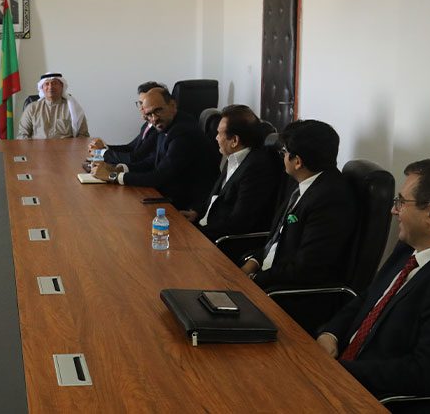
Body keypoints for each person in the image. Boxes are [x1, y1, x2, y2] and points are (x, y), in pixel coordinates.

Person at [316, 158, 430, 400]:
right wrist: (331, 334)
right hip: (342, 373)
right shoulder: (409, 247)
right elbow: (369, 298)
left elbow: (427, 373)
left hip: (376, 397)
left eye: (401, 202)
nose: (393, 210)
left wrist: (340, 371)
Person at [241, 120, 356, 290]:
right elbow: (278, 238)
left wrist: (255, 278)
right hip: (269, 272)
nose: (283, 157)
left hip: (287, 291)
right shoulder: (304, 180)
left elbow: (305, 268)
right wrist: (253, 262)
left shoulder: (330, 199)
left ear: (297, 162)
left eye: (284, 152)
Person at [90, 87, 211, 213]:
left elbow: (159, 176)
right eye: (149, 114)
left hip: (184, 206)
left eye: (158, 110)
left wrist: (113, 176)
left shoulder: (182, 132)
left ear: (172, 105)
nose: (154, 118)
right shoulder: (166, 125)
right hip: (167, 194)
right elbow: (152, 162)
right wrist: (119, 168)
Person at [194, 104, 283, 240]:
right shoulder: (235, 156)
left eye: (219, 134)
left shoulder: (257, 168)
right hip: (207, 228)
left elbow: (239, 223)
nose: (216, 138)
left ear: (234, 140)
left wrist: (197, 233)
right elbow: (218, 198)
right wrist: (197, 214)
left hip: (222, 240)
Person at [87, 81, 166, 164]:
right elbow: (130, 147)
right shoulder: (147, 125)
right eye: (140, 103)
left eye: (145, 104)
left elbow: (134, 157)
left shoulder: (157, 128)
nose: (141, 108)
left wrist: (101, 152)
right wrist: (103, 148)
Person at [17, 72, 89, 139]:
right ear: (42, 88)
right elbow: (22, 135)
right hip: (37, 148)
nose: (50, 87)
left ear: (62, 86)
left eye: (54, 83)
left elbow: (83, 135)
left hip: (66, 148)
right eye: (47, 84)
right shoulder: (32, 108)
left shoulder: (73, 108)